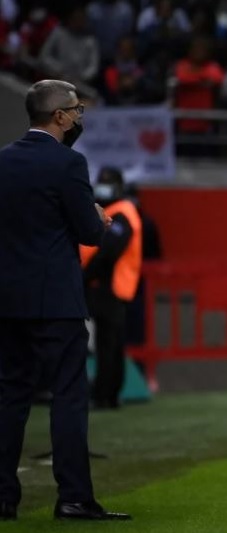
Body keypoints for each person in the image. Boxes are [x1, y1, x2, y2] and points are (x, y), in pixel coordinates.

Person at [0, 80, 130, 521]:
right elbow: (90, 234)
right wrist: (97, 215)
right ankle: (74, 497)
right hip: (56, 301)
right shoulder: (69, 163)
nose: (79, 117)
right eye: (75, 110)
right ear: (58, 116)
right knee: (69, 397)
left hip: (8, 301)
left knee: (10, 398)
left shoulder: (3, 161)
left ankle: (4, 498)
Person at [80, 167, 143, 410]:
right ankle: (110, 393)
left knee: (107, 343)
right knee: (111, 342)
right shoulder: (115, 211)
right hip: (111, 286)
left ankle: (104, 394)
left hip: (109, 286)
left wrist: (85, 276)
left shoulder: (122, 214)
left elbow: (108, 253)